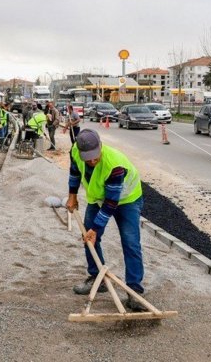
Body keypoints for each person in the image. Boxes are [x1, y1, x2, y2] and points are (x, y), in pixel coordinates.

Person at [65, 129, 145, 311]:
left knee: (130, 242)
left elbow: (111, 202)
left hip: (127, 199)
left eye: (95, 156)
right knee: (89, 238)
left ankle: (134, 290)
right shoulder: (75, 152)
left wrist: (96, 227)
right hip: (99, 197)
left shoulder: (114, 164)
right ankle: (96, 278)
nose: (92, 161)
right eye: (89, 158)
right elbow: (75, 172)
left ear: (100, 146)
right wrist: (72, 196)